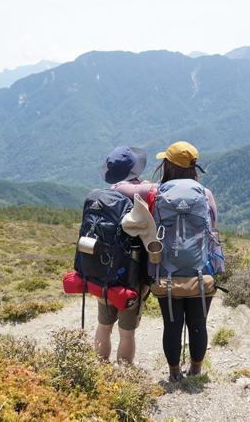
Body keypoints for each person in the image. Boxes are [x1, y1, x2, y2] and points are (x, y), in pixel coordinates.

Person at [151, 141, 218, 382]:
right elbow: (213, 228)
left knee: (172, 325)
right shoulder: (205, 194)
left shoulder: (157, 194)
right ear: (193, 167)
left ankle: (174, 373)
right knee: (198, 323)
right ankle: (196, 370)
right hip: (202, 272)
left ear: (167, 165)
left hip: (166, 273)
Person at [94, 146, 151, 364]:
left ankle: (100, 369)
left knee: (104, 325)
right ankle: (125, 378)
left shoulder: (106, 197)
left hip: (103, 272)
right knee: (126, 332)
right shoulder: (142, 193)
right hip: (130, 276)